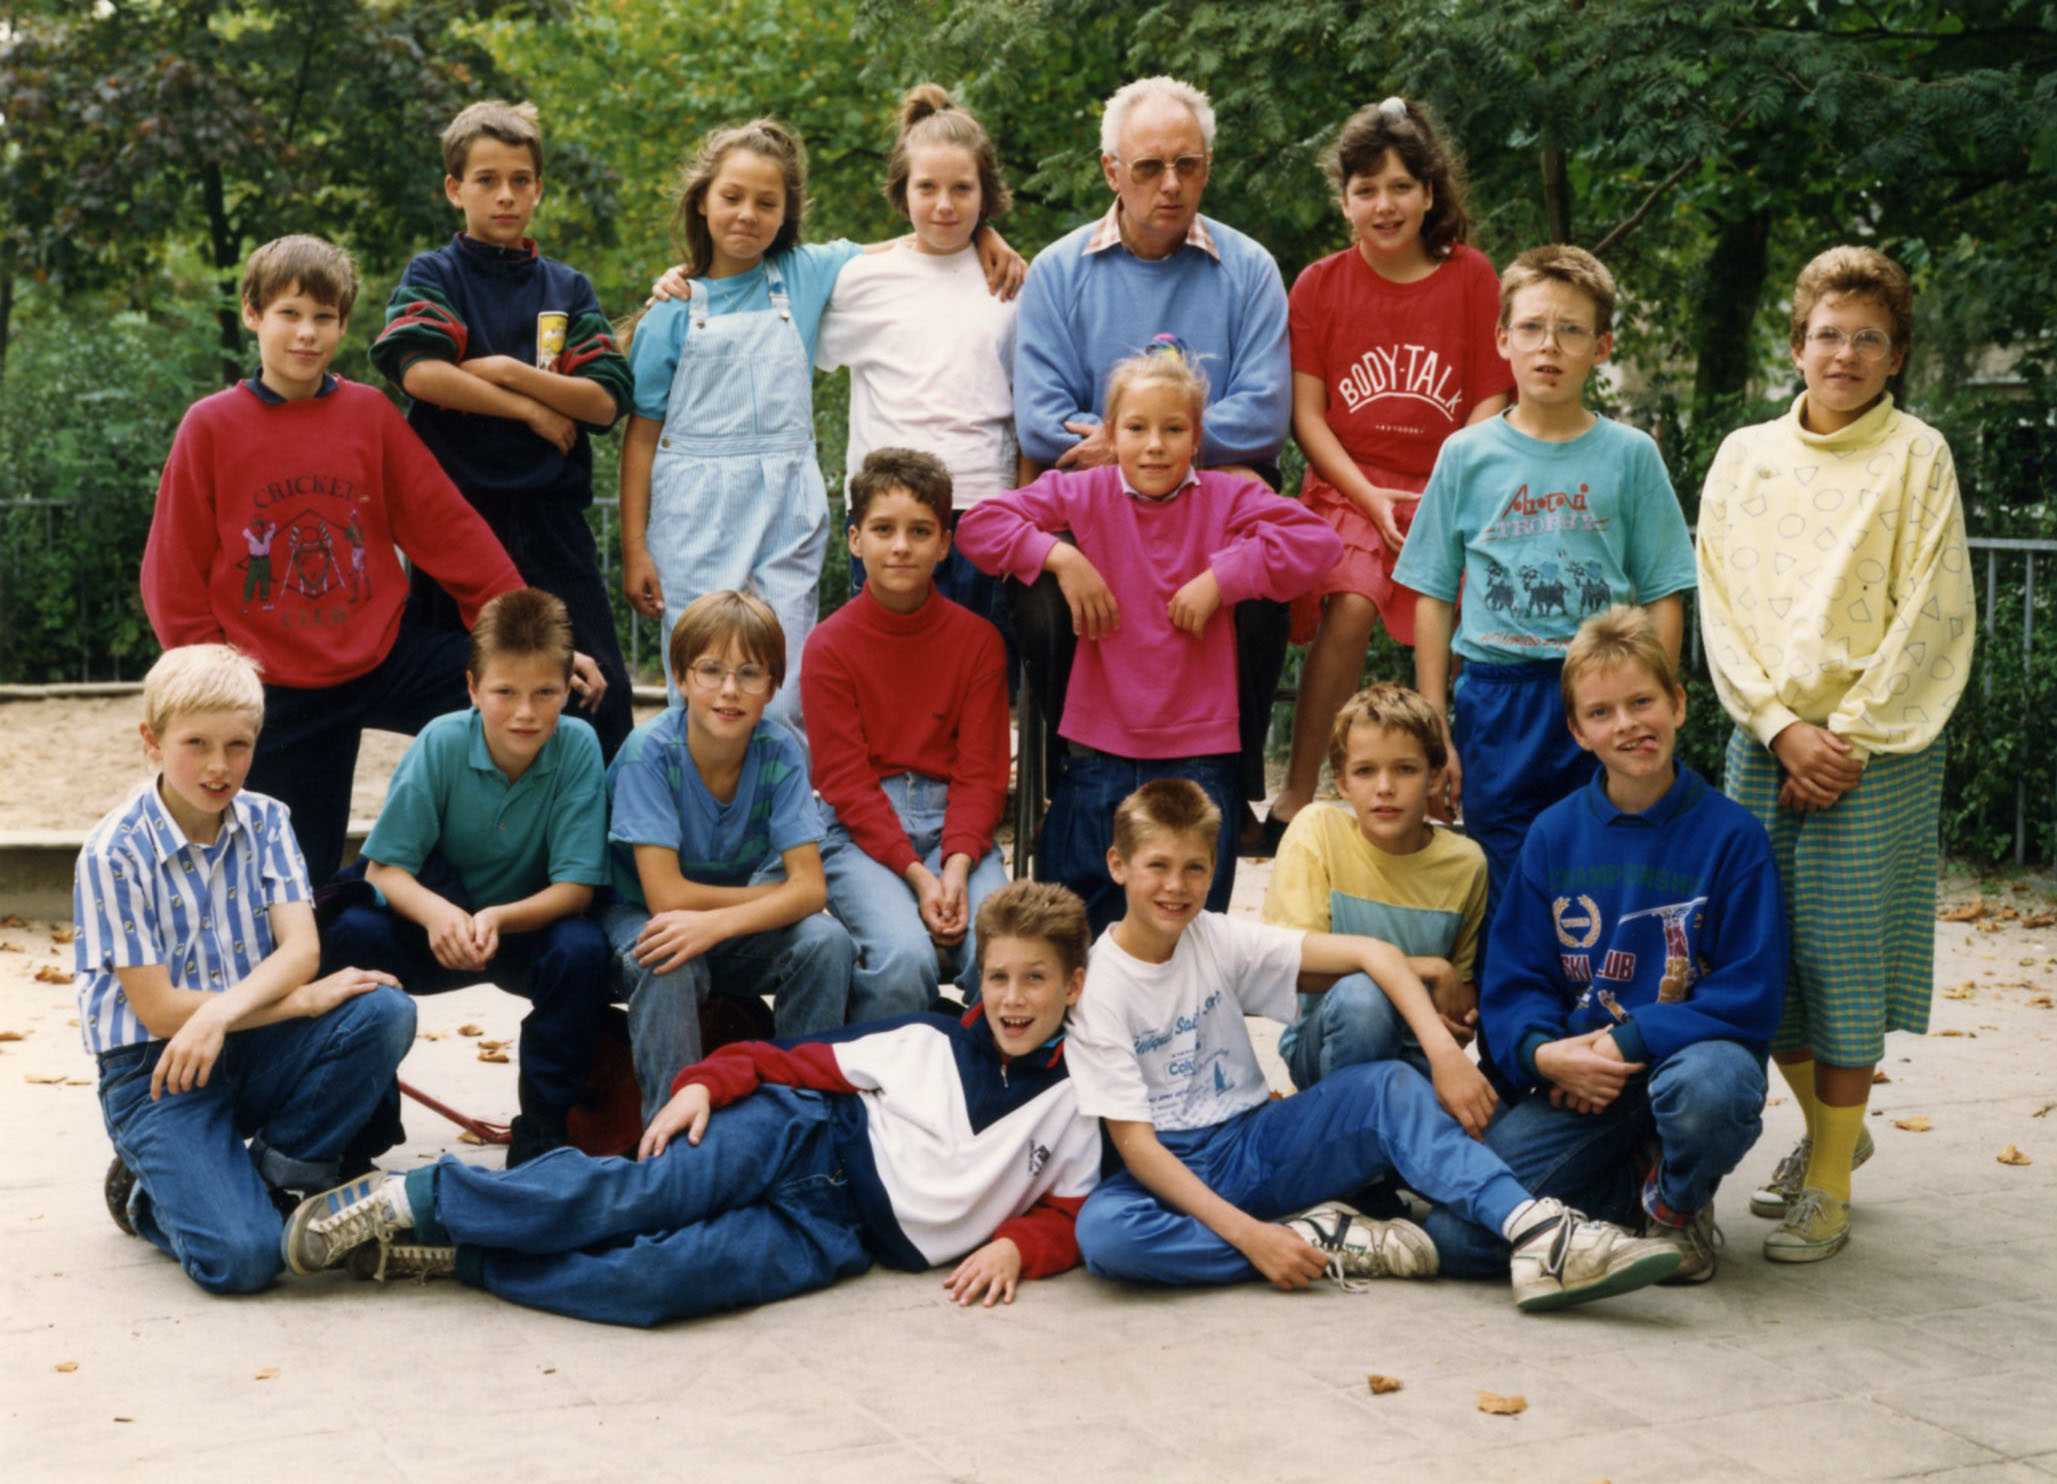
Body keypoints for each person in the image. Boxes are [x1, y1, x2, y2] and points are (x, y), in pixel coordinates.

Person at [279, 882, 1103, 1329]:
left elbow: (1071, 1211)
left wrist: (1017, 1250)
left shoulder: (1080, 1104)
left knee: (658, 1284)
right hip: (799, 1137)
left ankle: (462, 1259)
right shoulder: (929, 1039)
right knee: (633, 1198)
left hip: (836, 1232)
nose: (1013, 998)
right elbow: (785, 1059)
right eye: (997, 976)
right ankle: (417, 1198)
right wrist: (704, 1083)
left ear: (1073, 986)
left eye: (1035, 979)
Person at [1065, 780, 1682, 1309]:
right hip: (1169, 1165)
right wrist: (1253, 1241)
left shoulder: (1217, 938)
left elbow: (1373, 954)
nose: (1177, 886)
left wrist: (1444, 1055)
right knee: (1106, 1236)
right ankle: (1321, 1238)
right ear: (1119, 865)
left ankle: (1540, 1232)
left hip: (1253, 1140)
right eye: (1158, 866)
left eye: (1195, 867)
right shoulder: (1099, 989)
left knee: (1387, 1086)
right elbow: (1139, 1151)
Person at [1696, 246, 1975, 1263]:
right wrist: (1776, 725)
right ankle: (1833, 1132)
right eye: (1826, 333)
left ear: (1894, 354)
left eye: (1866, 338)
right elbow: (1717, 606)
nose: (1843, 353)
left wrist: (1843, 736)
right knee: (1761, 959)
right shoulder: (1742, 455)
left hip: (1874, 749)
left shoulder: (1916, 455)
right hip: (1765, 739)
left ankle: (1824, 1181)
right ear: (1796, 343)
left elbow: (1932, 611)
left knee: (1841, 962)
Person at [141, 234, 527, 888]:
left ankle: (472, 875)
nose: (307, 334)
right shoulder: (211, 426)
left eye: (324, 318)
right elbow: (173, 569)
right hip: (274, 682)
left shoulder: (368, 415)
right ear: (253, 314)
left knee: (538, 696)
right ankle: (329, 925)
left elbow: (445, 526)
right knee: (298, 879)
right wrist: (214, 683)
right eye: (290, 314)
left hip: (379, 655)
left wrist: (523, 636)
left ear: (344, 325)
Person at [622, 118, 1021, 727]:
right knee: (703, 680)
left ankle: (782, 819)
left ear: (787, 213)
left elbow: (913, 241)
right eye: (732, 197)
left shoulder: (806, 275)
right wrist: (634, 547)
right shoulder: (671, 313)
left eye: (766, 202)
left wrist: (985, 232)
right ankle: (698, 816)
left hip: (786, 506)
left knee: (782, 690)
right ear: (702, 200)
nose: (747, 214)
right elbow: (642, 436)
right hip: (694, 513)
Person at [1439, 606, 1785, 1285]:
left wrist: (1628, 1041)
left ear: (1677, 704)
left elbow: (1749, 993)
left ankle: (1678, 1206)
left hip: (1683, 1067)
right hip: (1577, 1086)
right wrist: (1546, 1055)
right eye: (1601, 713)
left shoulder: (1732, 837)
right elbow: (1515, 980)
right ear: (1576, 730)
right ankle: (1628, 1196)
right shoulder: (1551, 835)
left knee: (1712, 1087)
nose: (1626, 724)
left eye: (1641, 702)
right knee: (1459, 1236)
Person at [1392, 244, 1697, 991]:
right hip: (1499, 700)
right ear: (1501, 340)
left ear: (1602, 347)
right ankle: (1514, 1055)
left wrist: (1649, 710)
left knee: (1610, 866)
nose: (1548, 347)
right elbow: (1431, 593)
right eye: (1530, 328)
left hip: (1602, 694)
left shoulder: (1629, 456)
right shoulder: (1466, 455)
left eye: (1569, 331)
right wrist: (1436, 726)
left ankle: (1609, 1041)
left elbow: (1663, 592)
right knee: (1510, 879)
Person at [956, 341, 1341, 932]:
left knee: (1186, 933)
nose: (1156, 444)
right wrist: (1061, 557)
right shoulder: (1083, 492)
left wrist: (1223, 578)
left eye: (1173, 428)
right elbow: (981, 527)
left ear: (1196, 436)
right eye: (1137, 428)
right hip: (1097, 750)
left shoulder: (1228, 495)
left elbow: (1319, 546)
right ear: (1110, 434)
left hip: (1198, 754)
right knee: (1070, 930)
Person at [75, 644, 414, 1294]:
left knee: (382, 1010)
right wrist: (297, 1004)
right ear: (152, 740)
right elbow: (159, 1009)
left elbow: (300, 952)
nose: (217, 766)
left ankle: (283, 1178)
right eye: (195, 743)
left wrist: (229, 1014)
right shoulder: (112, 853)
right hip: (156, 1070)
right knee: (247, 1261)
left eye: (238, 745)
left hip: (251, 1042)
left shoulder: (266, 820)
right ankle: (148, 1198)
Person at [1011, 75, 1294, 850]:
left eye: (1188, 165)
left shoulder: (1248, 269)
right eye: (1148, 167)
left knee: (1263, 593)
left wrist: (1157, 440)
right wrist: (1134, 451)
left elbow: (1264, 411)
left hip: (1216, 497)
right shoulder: (1059, 271)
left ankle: (1227, 782)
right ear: (1111, 171)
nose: (1170, 185)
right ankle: (1076, 772)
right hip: (1094, 505)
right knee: (1037, 601)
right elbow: (1040, 416)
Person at [1266, 98, 1513, 846]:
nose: (1384, 204)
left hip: (1454, 481)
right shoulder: (1318, 284)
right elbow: (1307, 417)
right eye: (1366, 189)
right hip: (1349, 483)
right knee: (1349, 599)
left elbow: (1490, 395)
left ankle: (1448, 789)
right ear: (1343, 201)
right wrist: (1368, 495)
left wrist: (1442, 486)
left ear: (1429, 193)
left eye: (1401, 186)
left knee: (1465, 624)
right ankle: (1298, 798)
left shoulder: (1470, 278)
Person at [371, 100, 634, 759]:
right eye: (486, 180)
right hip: (457, 522)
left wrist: (507, 373)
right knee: (461, 697)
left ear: (538, 189)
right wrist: (531, 411)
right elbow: (422, 372)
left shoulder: (565, 287)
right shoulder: (435, 275)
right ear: (455, 189)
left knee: (599, 689)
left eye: (520, 180)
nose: (506, 195)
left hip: (551, 525)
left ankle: (597, 849)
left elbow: (602, 401)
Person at [319, 589, 612, 1167]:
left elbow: (576, 889)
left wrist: (498, 918)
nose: (525, 713)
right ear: (474, 688)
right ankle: (360, 1133)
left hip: (522, 925)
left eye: (545, 693)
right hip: (438, 921)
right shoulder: (441, 742)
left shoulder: (579, 746)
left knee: (583, 953)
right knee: (348, 935)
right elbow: (385, 868)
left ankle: (543, 1137)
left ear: (567, 691)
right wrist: (438, 915)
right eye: (504, 692)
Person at [603, 591, 853, 1126]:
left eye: (749, 673)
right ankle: (666, 1136)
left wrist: (719, 922)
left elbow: (811, 890)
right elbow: (665, 896)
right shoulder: (651, 753)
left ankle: (797, 1119)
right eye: (711, 670)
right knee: (667, 954)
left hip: (728, 924)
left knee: (826, 942)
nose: (729, 690)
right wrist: (768, 899)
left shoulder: (780, 749)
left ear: (774, 685)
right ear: (681, 676)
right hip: (642, 915)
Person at [815, 84, 1025, 655]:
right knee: (888, 675)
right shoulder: (860, 279)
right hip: (889, 513)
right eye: (926, 187)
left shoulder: (1010, 283)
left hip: (985, 505)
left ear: (987, 195)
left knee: (975, 678)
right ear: (901, 191)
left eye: (963, 189)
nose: (944, 205)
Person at [804, 449, 1010, 1017]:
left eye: (920, 531)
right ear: (854, 540)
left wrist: (958, 865)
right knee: (903, 959)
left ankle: (992, 1088)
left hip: (959, 824)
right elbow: (843, 781)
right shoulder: (829, 645)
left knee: (1003, 957)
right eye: (882, 529)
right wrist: (920, 877)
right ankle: (887, 1094)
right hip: (862, 829)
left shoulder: (978, 642)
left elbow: (983, 771)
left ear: (945, 543)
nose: (900, 546)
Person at [1263, 683, 1487, 1092]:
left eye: (1405, 769)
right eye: (1365, 771)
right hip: (1328, 1042)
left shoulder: (1466, 863)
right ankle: (1337, 1135)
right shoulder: (1319, 831)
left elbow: (1460, 991)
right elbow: (1288, 967)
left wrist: (1459, 1017)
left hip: (1419, 1052)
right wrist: (1429, 968)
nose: (1385, 787)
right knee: (1363, 998)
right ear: (1343, 782)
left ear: (1435, 777)